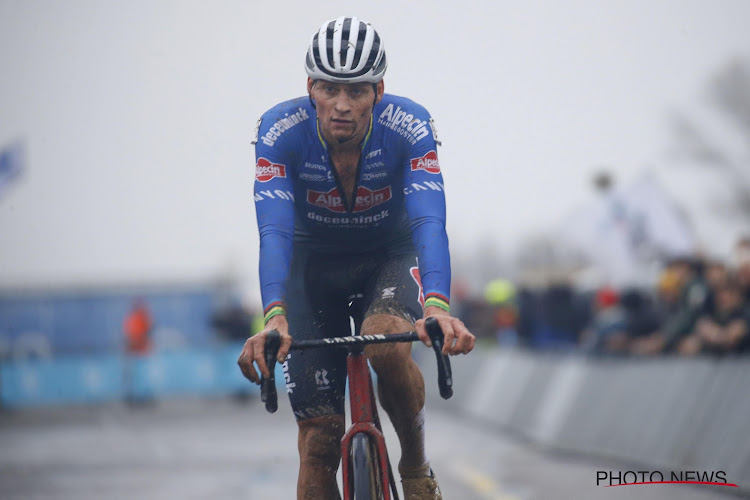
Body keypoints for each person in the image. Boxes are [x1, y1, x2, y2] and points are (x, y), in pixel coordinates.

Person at [237, 16, 475, 500]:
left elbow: (430, 221)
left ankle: (413, 463)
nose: (342, 105)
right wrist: (275, 315)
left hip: (387, 254)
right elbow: (275, 229)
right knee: (319, 441)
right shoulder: (279, 131)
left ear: (379, 91)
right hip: (311, 268)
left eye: (358, 91)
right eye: (328, 89)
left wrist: (437, 306)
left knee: (387, 345)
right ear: (310, 87)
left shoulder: (409, 126)